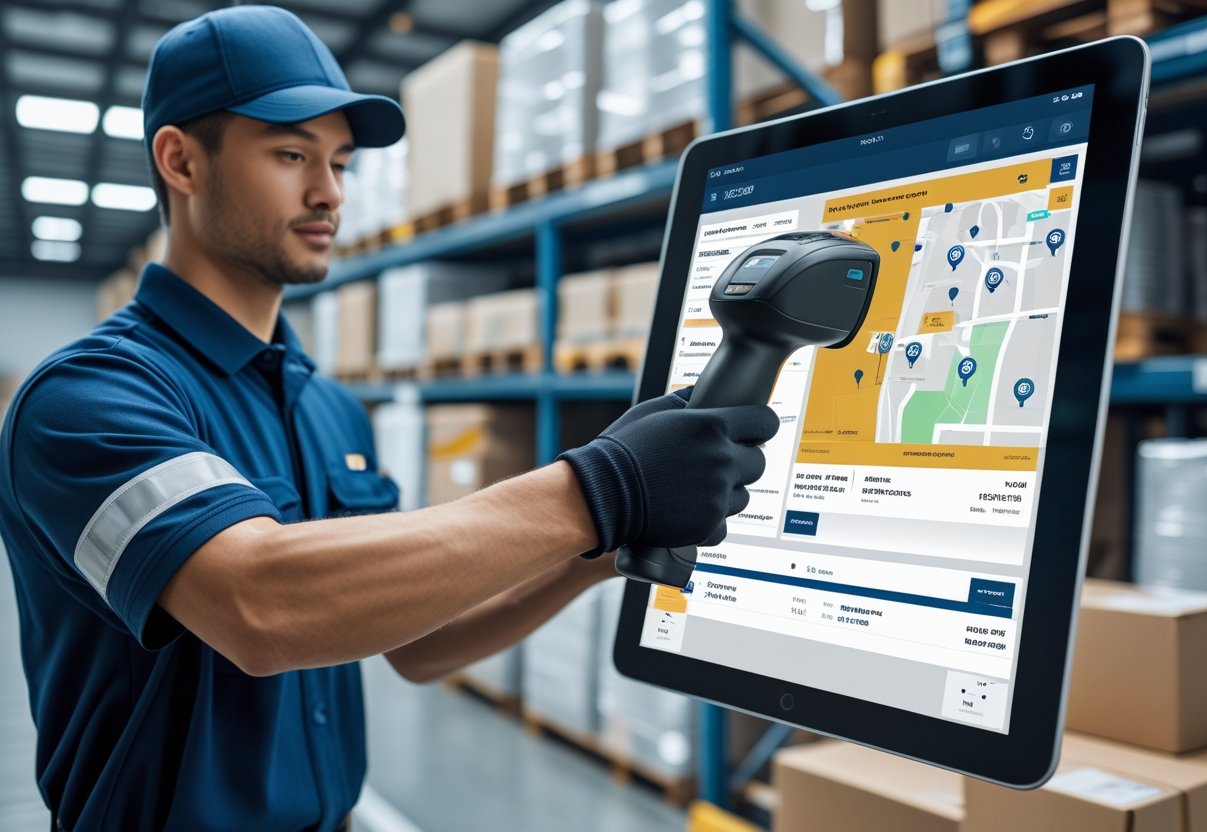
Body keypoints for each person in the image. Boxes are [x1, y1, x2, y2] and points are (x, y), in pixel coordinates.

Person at [0, 6, 777, 830]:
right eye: (292, 154)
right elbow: (258, 604)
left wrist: (594, 548)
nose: (329, 191)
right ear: (181, 161)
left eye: (339, 161)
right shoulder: (88, 398)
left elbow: (417, 642)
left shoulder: (330, 408)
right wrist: (601, 485)